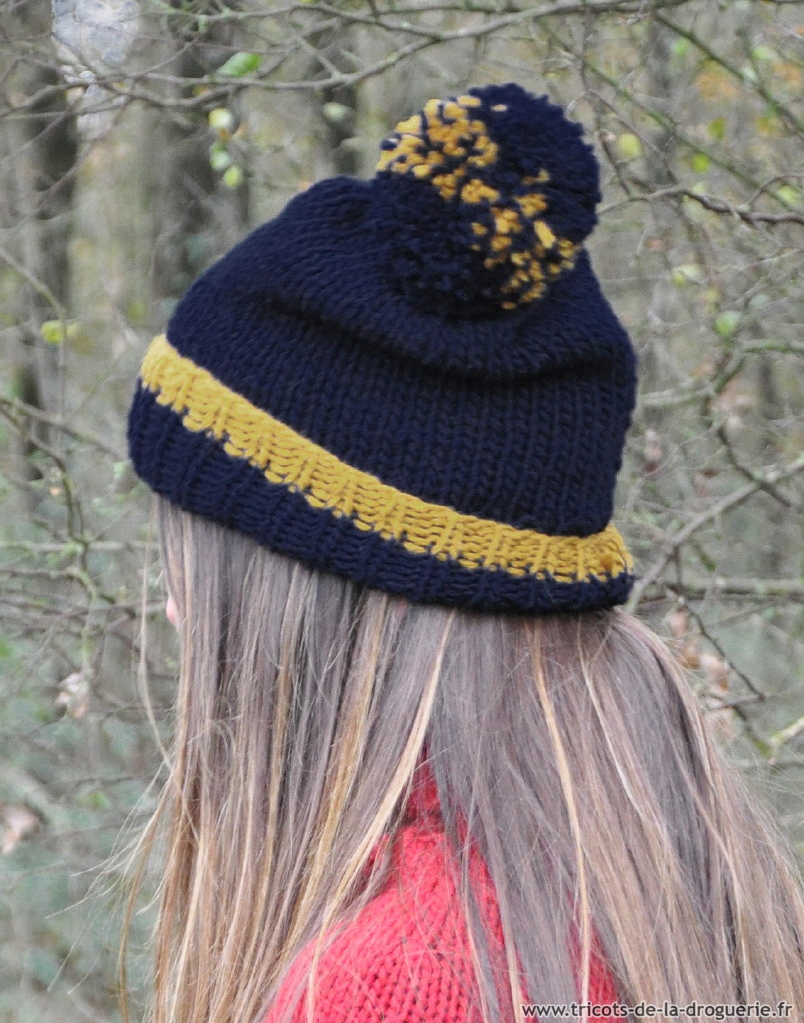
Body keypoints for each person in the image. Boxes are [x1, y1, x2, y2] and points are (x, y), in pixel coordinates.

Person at [125, 83, 804, 1023]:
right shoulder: (676, 868)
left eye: (197, 565)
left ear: (346, 586)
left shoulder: (398, 982)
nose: (173, 608)